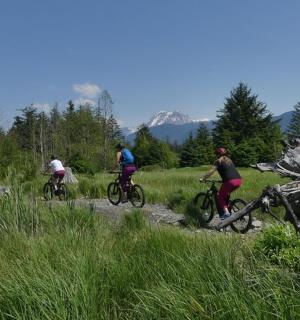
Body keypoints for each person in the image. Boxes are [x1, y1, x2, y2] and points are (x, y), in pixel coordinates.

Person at [200, 147, 242, 219]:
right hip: (238, 180)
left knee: (219, 195)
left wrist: (203, 178)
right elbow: (229, 172)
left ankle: (226, 213)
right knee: (225, 195)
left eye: (216, 154)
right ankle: (229, 208)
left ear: (217, 154)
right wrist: (223, 180)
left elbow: (210, 172)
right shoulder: (229, 160)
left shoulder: (218, 161)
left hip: (230, 181)